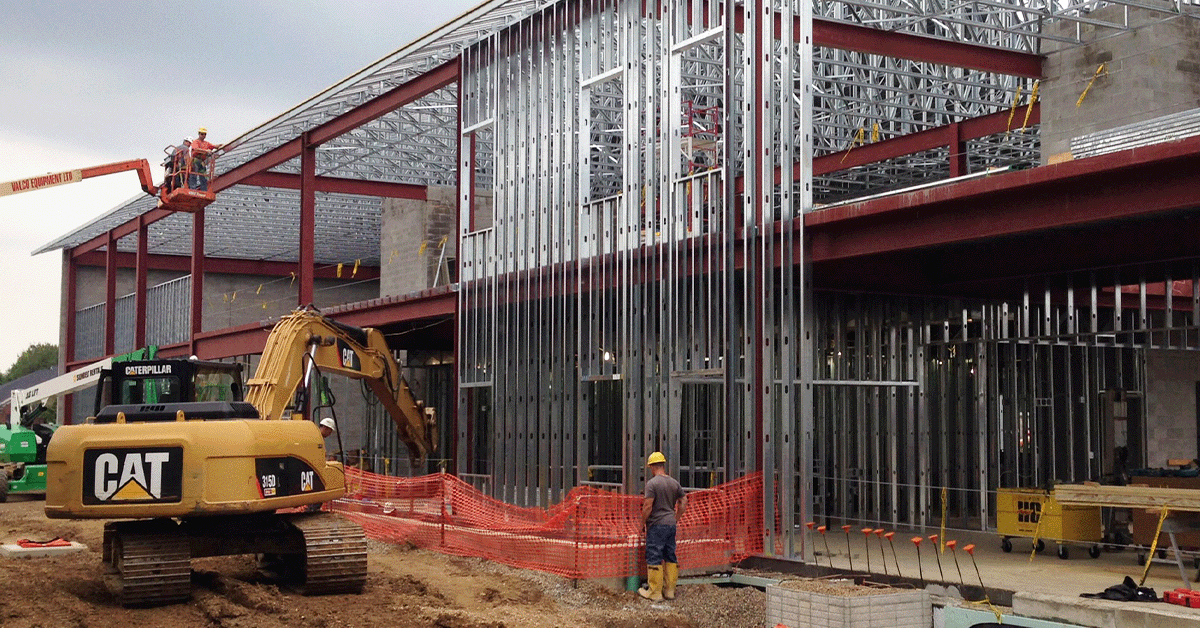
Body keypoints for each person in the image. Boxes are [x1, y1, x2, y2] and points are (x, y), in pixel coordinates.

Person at [638, 451, 687, 602]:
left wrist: (641, 524)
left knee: (654, 555)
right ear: (663, 465)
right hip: (670, 525)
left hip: (657, 525)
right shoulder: (674, 482)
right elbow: (683, 501)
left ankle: (654, 592)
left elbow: (647, 506)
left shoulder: (652, 484)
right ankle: (670, 591)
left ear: (652, 467)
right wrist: (675, 518)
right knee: (670, 555)